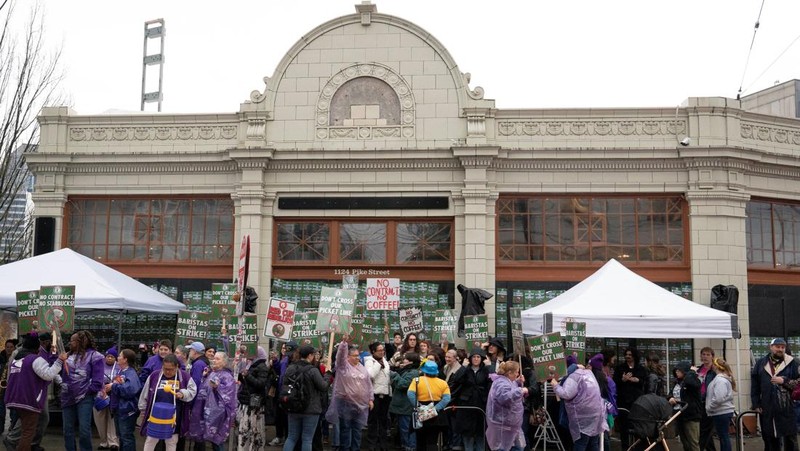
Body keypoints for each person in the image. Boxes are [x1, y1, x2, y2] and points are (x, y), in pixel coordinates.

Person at [3, 334, 65, 451]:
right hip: (29, 399)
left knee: (27, 426)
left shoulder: (18, 359)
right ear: (37, 346)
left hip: (16, 398)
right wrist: (59, 361)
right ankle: (14, 441)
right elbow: (48, 375)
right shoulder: (35, 359)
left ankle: (16, 441)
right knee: (28, 432)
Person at [139, 354, 198, 451]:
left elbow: (193, 391)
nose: (167, 371)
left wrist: (183, 394)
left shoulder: (184, 376)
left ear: (177, 367)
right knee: (151, 439)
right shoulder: (154, 375)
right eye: (165, 368)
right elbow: (145, 394)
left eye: (171, 369)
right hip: (155, 415)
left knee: (171, 441)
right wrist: (143, 409)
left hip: (174, 417)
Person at [751, 338, 799, 451]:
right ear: (771, 347)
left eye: (783, 347)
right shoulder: (761, 363)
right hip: (767, 407)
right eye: (777, 347)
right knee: (769, 438)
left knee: (790, 439)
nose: (780, 349)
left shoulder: (793, 362)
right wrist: (756, 403)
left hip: (787, 407)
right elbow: (755, 385)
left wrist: (785, 381)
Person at [61, 330, 106, 451]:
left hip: (85, 398)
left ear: (81, 341)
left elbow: (98, 380)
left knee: (84, 430)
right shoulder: (67, 355)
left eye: (72, 340)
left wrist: (87, 391)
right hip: (67, 396)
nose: (70, 343)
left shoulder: (95, 356)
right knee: (67, 430)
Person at [326, 339, 374, 451]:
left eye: (358, 355)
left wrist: (370, 399)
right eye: (355, 356)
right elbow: (340, 357)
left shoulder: (362, 368)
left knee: (357, 430)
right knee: (346, 429)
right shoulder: (343, 367)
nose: (358, 358)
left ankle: (355, 449)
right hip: (345, 404)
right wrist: (343, 344)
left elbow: (368, 385)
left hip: (360, 406)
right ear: (348, 357)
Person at [551, 362, 607, 451]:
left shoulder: (574, 376)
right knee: (593, 442)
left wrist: (556, 386)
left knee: (581, 442)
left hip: (583, 416)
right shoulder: (589, 373)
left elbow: (566, 394)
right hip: (596, 413)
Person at [186, 352, 236, 451]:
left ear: (224, 362)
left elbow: (229, 395)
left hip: (218, 413)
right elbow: (205, 389)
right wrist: (204, 377)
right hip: (206, 409)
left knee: (217, 440)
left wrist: (218, 387)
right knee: (209, 438)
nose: (214, 360)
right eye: (214, 358)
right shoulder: (212, 373)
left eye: (218, 359)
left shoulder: (227, 376)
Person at [283, 345, 329, 451]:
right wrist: (327, 375)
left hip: (293, 406)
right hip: (311, 409)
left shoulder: (290, 368)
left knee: (291, 437)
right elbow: (323, 387)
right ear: (310, 356)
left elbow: (285, 384)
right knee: (307, 439)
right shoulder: (313, 370)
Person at [449, 348, 490, 451]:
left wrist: (490, 366)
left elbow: (491, 382)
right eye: (474, 357)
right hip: (467, 405)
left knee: (481, 433)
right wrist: (463, 367)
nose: (476, 359)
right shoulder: (465, 370)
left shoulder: (485, 370)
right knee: (467, 434)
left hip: (481, 404)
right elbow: (456, 380)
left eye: (478, 357)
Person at [407, 359, 451, 451]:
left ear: (424, 371)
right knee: (432, 441)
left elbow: (410, 394)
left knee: (420, 441)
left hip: (421, 412)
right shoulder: (443, 383)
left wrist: (417, 406)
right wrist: (435, 409)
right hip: (436, 415)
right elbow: (447, 398)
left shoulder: (416, 381)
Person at [486, 361, 528, 451]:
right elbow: (504, 397)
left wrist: (518, 382)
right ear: (509, 372)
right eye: (516, 372)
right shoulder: (501, 383)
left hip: (511, 425)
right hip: (503, 425)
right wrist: (521, 391)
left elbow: (510, 388)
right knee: (504, 448)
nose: (518, 374)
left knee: (518, 447)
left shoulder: (507, 381)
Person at [613, 347, 647, 451]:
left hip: (636, 401)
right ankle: (625, 447)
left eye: (630, 355)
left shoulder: (640, 368)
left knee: (636, 425)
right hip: (624, 401)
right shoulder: (620, 368)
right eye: (626, 354)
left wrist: (634, 380)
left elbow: (642, 381)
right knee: (624, 427)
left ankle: (636, 447)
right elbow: (616, 382)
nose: (628, 356)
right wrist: (623, 380)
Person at [108, 349, 142, 451]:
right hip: (119, 409)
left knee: (126, 437)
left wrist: (113, 386)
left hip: (127, 410)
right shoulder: (121, 371)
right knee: (122, 437)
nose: (117, 358)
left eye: (120, 356)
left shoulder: (131, 373)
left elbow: (130, 390)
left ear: (125, 359)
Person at [237, 346, 270, 451]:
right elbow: (245, 382)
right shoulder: (249, 364)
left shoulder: (261, 366)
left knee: (253, 430)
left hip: (254, 405)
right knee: (245, 430)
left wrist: (247, 376)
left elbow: (260, 384)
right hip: (246, 402)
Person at [364, 341, 392, 451]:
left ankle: (383, 444)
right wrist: (378, 364)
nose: (382, 352)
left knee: (383, 421)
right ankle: (372, 444)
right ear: (373, 351)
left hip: (385, 395)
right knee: (373, 421)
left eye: (383, 350)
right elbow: (370, 375)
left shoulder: (385, 360)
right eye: (379, 350)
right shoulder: (369, 361)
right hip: (374, 395)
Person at [390, 352, 420, 451]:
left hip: (406, 407)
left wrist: (394, 375)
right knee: (403, 429)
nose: (404, 361)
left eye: (406, 359)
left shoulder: (413, 372)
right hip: (402, 406)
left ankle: (410, 447)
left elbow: (403, 384)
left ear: (411, 362)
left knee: (407, 429)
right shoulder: (406, 370)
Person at [271, 340, 299, 447]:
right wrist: (275, 362)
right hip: (282, 392)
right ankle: (283, 437)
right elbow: (279, 370)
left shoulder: (297, 363)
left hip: (291, 395)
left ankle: (289, 439)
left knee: (289, 420)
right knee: (280, 416)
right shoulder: (284, 360)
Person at [669, 362, 702, 451]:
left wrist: (690, 372)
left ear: (684, 371)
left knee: (693, 443)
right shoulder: (676, 382)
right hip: (679, 415)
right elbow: (670, 394)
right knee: (685, 442)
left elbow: (692, 383)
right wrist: (671, 398)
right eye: (676, 371)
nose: (677, 372)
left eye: (679, 370)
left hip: (691, 416)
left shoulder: (692, 380)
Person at [706, 358, 736, 451]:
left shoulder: (720, 380)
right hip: (721, 411)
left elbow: (719, 398)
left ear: (715, 366)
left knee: (723, 436)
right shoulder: (722, 379)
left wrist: (710, 407)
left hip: (721, 412)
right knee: (723, 436)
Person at [94, 346, 120, 451]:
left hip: (113, 395)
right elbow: (93, 378)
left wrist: (113, 384)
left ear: (116, 358)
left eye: (112, 357)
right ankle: (103, 442)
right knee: (100, 419)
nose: (109, 358)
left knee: (112, 419)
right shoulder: (99, 365)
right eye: (108, 356)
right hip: (100, 395)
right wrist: (102, 389)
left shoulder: (119, 366)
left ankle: (113, 442)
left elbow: (121, 377)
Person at [697, 347, 718, 451]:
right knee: (704, 429)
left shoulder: (714, 371)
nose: (705, 357)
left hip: (709, 403)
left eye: (708, 355)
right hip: (699, 402)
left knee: (704, 430)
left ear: (712, 356)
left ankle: (699, 448)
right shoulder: (698, 370)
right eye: (703, 354)